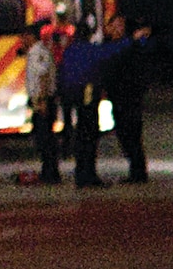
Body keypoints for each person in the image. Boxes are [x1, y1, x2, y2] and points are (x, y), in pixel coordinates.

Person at [101, 14, 153, 183]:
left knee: (132, 133)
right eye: (114, 25)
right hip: (116, 96)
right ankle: (136, 169)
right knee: (123, 133)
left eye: (121, 25)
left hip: (130, 96)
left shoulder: (132, 46)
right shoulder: (111, 45)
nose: (118, 28)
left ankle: (138, 172)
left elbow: (142, 66)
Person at [57, 18, 104, 187]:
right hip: (88, 98)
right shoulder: (91, 50)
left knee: (79, 137)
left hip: (72, 99)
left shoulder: (69, 51)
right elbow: (100, 68)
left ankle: (80, 173)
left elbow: (63, 75)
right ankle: (89, 175)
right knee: (89, 136)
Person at [25, 24, 60, 184]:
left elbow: (43, 75)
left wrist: (43, 100)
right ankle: (49, 172)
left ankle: (50, 173)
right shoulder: (37, 51)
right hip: (41, 100)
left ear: (30, 36)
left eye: (24, 36)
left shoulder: (37, 52)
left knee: (45, 139)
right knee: (44, 138)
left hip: (43, 101)